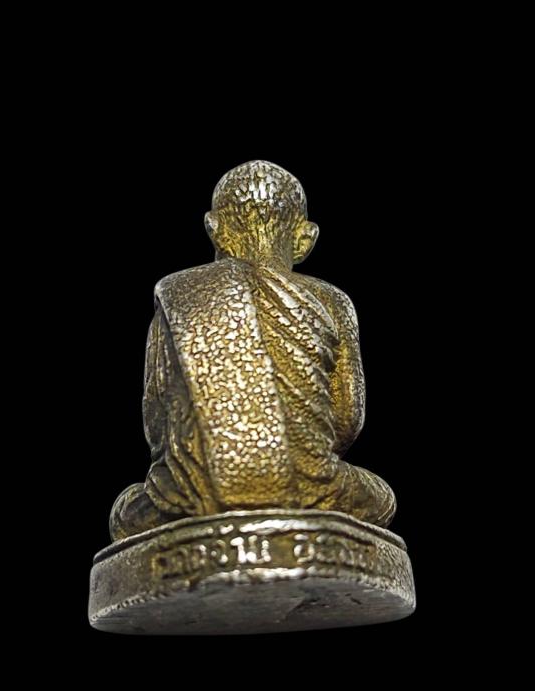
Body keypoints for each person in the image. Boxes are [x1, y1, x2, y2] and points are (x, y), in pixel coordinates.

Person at [110, 161, 395, 541]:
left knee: (126, 514)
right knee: (382, 500)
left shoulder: (178, 294)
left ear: (214, 229)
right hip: (307, 487)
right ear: (305, 239)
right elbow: (347, 420)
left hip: (193, 493)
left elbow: (157, 420)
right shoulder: (332, 301)